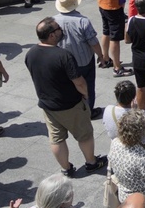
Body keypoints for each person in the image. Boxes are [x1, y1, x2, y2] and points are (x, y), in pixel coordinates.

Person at [25, 17, 103, 175]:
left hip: (47, 105)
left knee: (56, 138)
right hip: (71, 105)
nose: (62, 30)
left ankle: (66, 168)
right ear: (52, 35)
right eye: (58, 28)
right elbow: (79, 82)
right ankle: (91, 162)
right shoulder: (63, 55)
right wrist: (86, 95)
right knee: (84, 134)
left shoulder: (30, 53)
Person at [54, 0, 103, 113]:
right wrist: (101, 56)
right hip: (84, 61)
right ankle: (89, 111)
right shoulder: (83, 21)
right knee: (88, 86)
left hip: (63, 62)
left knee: (70, 86)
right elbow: (93, 42)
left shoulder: (52, 21)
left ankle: (74, 110)